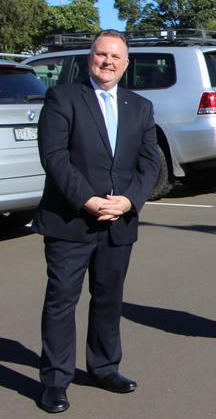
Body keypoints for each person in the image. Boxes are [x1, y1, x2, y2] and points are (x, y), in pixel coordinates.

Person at [34, 30, 159, 412]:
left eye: (115, 56)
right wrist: (87, 200)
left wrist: (129, 201)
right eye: (101, 54)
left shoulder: (139, 106)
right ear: (91, 58)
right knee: (61, 301)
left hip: (118, 222)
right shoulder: (63, 98)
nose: (107, 61)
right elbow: (54, 156)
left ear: (126, 64)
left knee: (108, 299)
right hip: (70, 221)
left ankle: (104, 367)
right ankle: (55, 381)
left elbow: (151, 161)